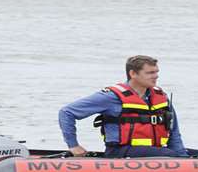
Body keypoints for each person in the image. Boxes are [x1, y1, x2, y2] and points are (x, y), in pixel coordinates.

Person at [57, 54, 187, 158]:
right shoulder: (111, 97)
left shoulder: (161, 96)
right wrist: (73, 146)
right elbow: (67, 112)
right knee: (169, 155)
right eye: (150, 73)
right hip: (121, 152)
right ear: (133, 74)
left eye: (156, 72)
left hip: (155, 151)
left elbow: (174, 132)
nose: (156, 76)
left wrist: (182, 158)